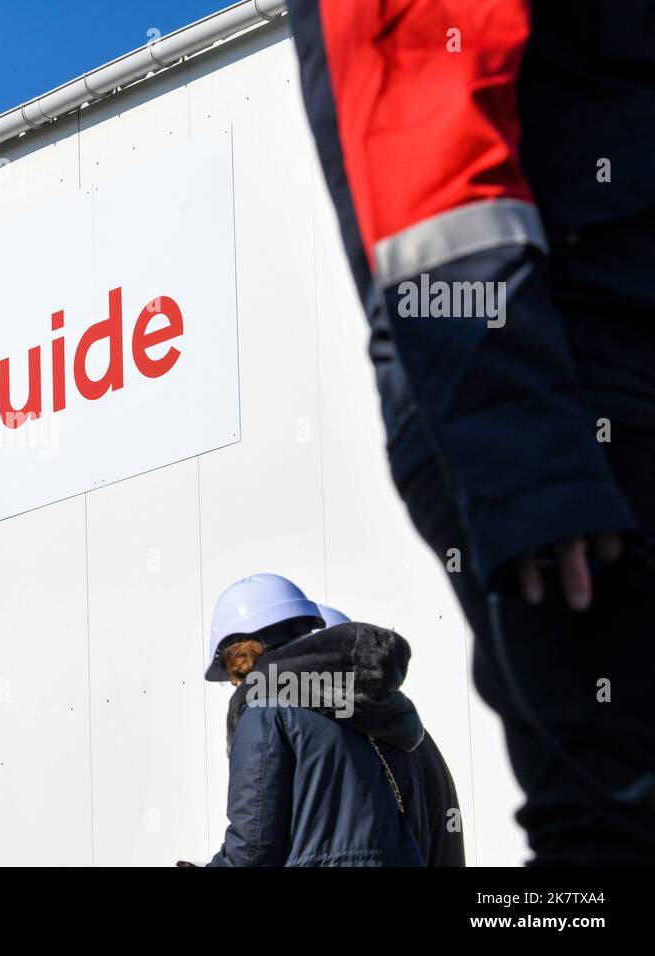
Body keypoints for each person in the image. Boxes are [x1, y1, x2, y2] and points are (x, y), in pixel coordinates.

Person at [285, 0, 655, 864]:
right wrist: (526, 448)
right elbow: (423, 110)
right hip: (562, 395)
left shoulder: (296, 709)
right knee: (618, 815)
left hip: (566, 394)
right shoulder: (373, 712)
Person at [203, 575, 463, 866]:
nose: (236, 684)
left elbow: (252, 852)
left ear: (242, 654)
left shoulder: (266, 709)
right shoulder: (387, 714)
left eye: (233, 673)